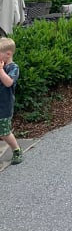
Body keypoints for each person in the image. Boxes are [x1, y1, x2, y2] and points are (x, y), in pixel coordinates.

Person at [0, 37, 22, 165]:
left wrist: (0, 70)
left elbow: (8, 83)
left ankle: (16, 150)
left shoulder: (13, 68)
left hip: (4, 106)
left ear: (8, 54)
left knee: (4, 133)